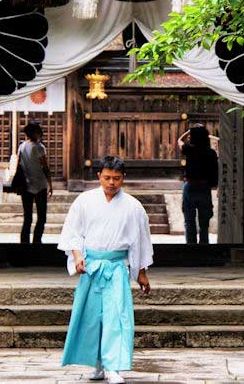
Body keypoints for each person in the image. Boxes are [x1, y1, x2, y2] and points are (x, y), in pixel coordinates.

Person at [58, 156, 153, 384]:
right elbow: (73, 233)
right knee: (92, 318)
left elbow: (140, 241)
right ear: (99, 175)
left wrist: (141, 272)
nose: (112, 183)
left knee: (115, 316)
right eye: (107, 177)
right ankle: (98, 364)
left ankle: (113, 367)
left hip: (116, 268)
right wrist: (78, 257)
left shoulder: (133, 206)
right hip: (92, 267)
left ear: (123, 178)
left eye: (117, 178)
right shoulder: (84, 201)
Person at [177, 124, 219, 244]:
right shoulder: (211, 153)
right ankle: (204, 246)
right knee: (204, 222)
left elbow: (179, 140)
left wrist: (188, 131)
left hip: (190, 187)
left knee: (189, 221)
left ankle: (191, 247)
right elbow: (215, 170)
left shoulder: (189, 149)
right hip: (204, 187)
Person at [18, 120, 53, 244]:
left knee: (27, 217)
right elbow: (45, 167)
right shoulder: (39, 147)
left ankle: (24, 242)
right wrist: (50, 184)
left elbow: (19, 164)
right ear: (36, 133)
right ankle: (37, 241)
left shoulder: (22, 146)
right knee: (41, 216)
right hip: (40, 185)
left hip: (26, 185)